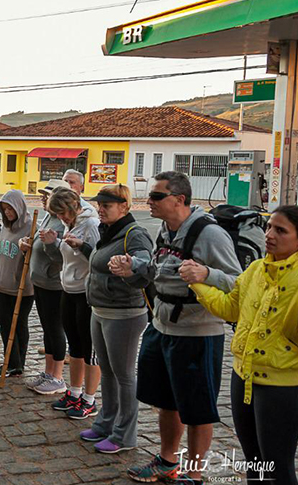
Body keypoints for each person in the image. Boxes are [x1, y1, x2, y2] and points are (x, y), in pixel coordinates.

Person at [111, 171, 241, 484]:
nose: (149, 201)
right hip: (161, 327)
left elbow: (239, 283)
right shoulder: (166, 231)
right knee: (165, 402)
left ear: (179, 199)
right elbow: (159, 271)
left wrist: (207, 272)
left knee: (197, 410)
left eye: (157, 196)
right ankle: (167, 460)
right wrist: (135, 267)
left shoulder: (210, 234)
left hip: (197, 334)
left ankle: (194, 474)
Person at [188, 206, 298, 485]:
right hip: (243, 376)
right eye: (268, 226)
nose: (269, 235)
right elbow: (231, 308)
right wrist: (199, 284)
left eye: (280, 230)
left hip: (282, 386)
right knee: (255, 462)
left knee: (278, 464)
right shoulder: (256, 269)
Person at [81, 185, 153, 454]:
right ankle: (105, 423)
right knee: (108, 372)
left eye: (106, 205)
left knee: (124, 375)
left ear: (124, 207)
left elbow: (146, 265)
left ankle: (125, 435)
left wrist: (130, 266)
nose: (100, 209)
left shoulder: (135, 234)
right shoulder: (107, 231)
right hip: (100, 310)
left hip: (124, 313)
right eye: (99, 204)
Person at [43, 188, 101, 418]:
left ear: (74, 206)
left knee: (89, 349)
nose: (61, 219)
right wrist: (56, 242)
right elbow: (67, 254)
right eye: (57, 215)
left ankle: (90, 398)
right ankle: (75, 392)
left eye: (63, 213)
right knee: (75, 347)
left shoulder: (91, 224)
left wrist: (80, 246)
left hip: (85, 294)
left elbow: (98, 258)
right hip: (68, 289)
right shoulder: (71, 223)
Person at [21, 179, 68, 395]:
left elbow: (61, 255)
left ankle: (57, 376)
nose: (42, 197)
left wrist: (48, 244)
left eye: (47, 194)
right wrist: (28, 243)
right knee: (47, 330)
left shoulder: (63, 221)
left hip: (54, 283)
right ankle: (49, 372)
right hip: (40, 280)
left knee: (55, 329)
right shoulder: (48, 216)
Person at [0, 189, 33, 377]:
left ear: (19, 207)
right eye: (4, 209)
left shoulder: (30, 226)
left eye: (10, 209)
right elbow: (4, 249)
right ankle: (13, 361)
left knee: (18, 324)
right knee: (5, 325)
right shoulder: (6, 225)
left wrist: (26, 249)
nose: (7, 213)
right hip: (1, 284)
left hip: (21, 287)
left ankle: (16, 362)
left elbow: (32, 254)